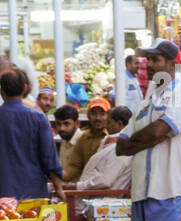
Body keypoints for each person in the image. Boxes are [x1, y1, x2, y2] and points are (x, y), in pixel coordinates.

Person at [116, 40, 181, 221]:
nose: (149, 65)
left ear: (172, 65)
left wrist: (150, 135)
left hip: (169, 193)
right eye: (148, 60)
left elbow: (160, 131)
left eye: (156, 60)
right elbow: (121, 146)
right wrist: (152, 136)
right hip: (140, 196)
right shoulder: (146, 103)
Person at [0, 67, 63, 200]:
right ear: (24, 89)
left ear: (1, 92)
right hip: (33, 193)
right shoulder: (39, 118)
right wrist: (58, 188)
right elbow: (49, 158)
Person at [67, 106, 131, 192]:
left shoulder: (122, 148)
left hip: (104, 201)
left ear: (119, 124)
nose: (106, 125)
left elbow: (105, 181)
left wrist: (76, 186)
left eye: (109, 122)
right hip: (93, 198)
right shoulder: (110, 143)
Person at [62, 97, 111, 183]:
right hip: (87, 188)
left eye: (102, 114)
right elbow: (75, 166)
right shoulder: (84, 137)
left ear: (109, 116)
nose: (97, 118)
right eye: (94, 114)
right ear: (88, 115)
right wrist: (58, 176)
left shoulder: (112, 136)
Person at [52, 105, 81, 174]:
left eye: (66, 124)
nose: (62, 128)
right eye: (58, 124)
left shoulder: (83, 142)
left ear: (77, 124)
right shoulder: (65, 140)